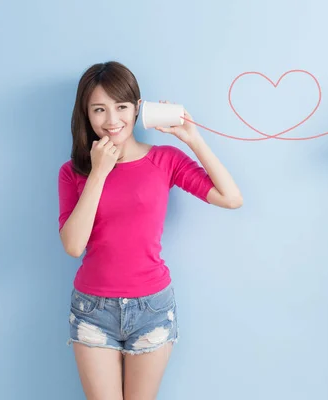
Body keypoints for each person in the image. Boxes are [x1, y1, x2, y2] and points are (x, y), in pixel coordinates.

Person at [58, 61, 243, 399]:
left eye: (121, 107)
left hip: (152, 309)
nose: (112, 120)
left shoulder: (165, 160)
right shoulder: (74, 172)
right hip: (92, 311)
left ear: (137, 108)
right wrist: (99, 172)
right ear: (86, 114)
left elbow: (231, 198)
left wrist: (193, 138)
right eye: (99, 109)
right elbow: (73, 245)